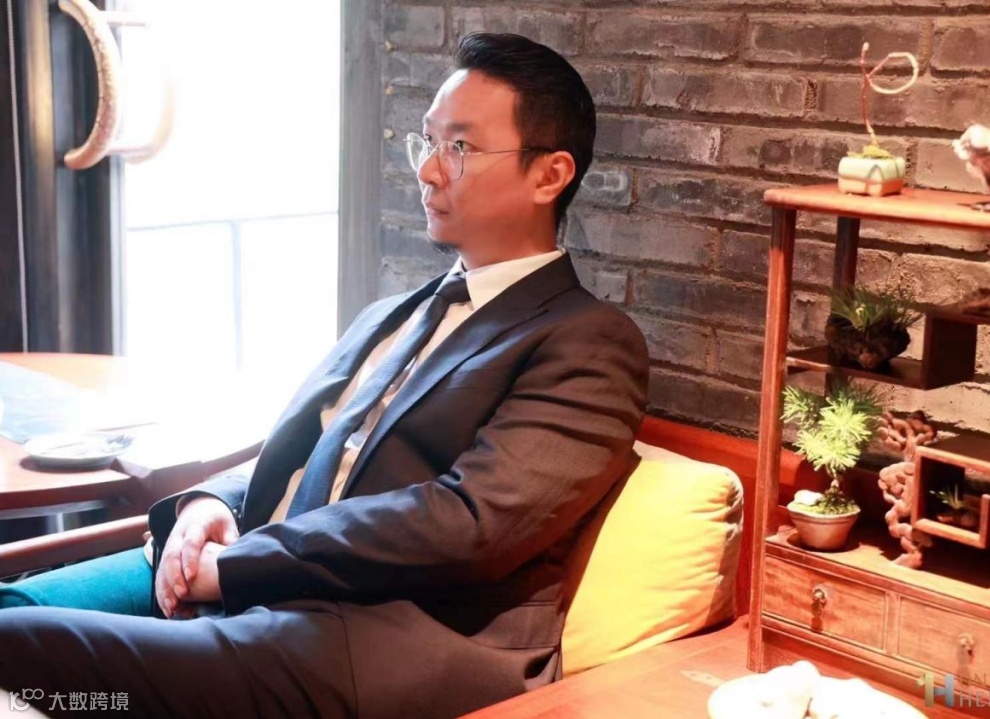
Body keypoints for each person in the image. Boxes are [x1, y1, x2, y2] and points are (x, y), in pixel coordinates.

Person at [0, 32, 648, 719]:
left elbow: (468, 523)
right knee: (16, 605)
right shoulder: (396, 313)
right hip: (266, 584)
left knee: (16, 646)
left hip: (387, 635)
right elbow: (314, 449)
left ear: (549, 175)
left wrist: (240, 565)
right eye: (428, 141)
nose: (429, 170)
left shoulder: (587, 341)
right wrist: (211, 504)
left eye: (459, 147)